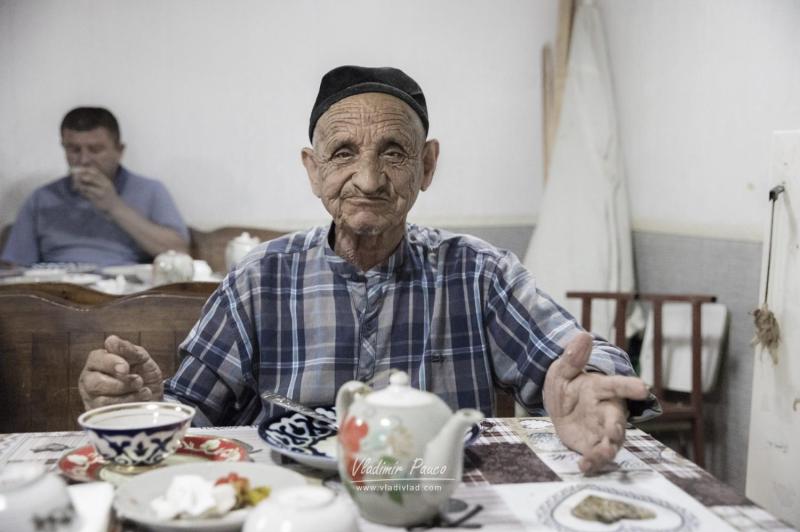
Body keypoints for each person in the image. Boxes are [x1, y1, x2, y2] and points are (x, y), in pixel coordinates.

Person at [78, 66, 659, 473]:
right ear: (312, 169)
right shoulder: (261, 279)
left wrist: (587, 389)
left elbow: (574, 358)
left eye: (394, 152)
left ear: (427, 164)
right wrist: (138, 404)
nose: (370, 179)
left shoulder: (478, 273)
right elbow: (189, 414)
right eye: (343, 153)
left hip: (437, 503)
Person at [0, 107, 189, 267]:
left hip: (124, 297)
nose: (84, 160)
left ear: (119, 150)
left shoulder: (150, 191)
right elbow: (15, 265)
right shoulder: (42, 198)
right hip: (56, 295)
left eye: (95, 150)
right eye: (74, 149)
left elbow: (179, 251)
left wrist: (114, 205)